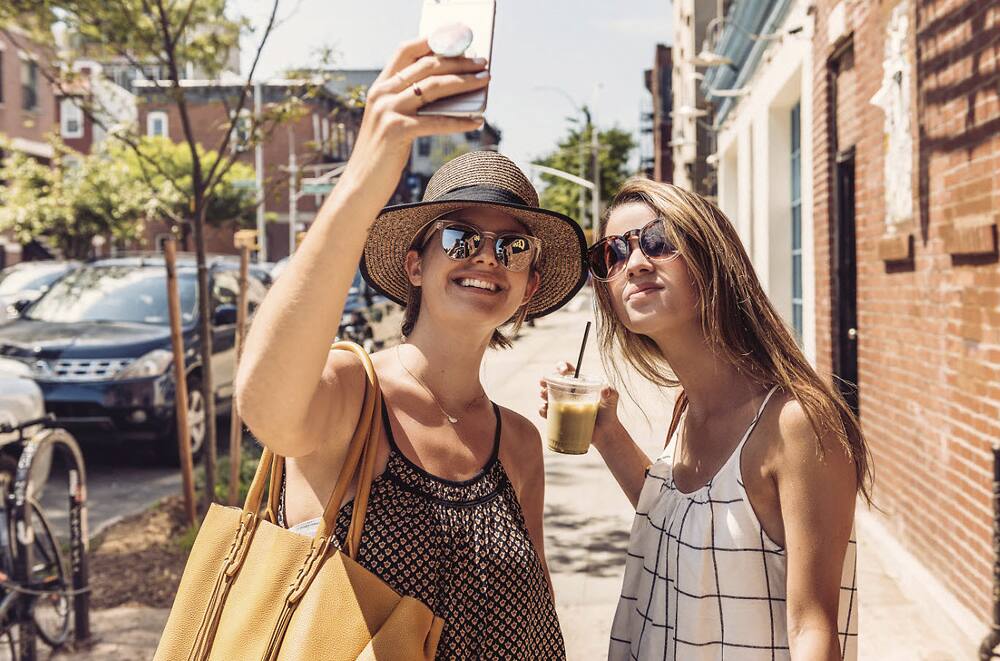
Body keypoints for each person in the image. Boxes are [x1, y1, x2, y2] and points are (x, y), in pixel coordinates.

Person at [236, 38, 587, 659]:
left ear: (530, 286)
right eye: (459, 237)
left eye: (513, 247)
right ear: (414, 264)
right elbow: (264, 403)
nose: (485, 256)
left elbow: (537, 612)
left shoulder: (519, 444)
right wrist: (370, 167)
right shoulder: (353, 396)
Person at [540, 178, 871, 660]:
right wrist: (608, 436)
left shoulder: (795, 424)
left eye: (659, 239)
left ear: (711, 259)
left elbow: (812, 630)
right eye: (612, 253)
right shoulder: (688, 408)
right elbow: (683, 524)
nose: (634, 262)